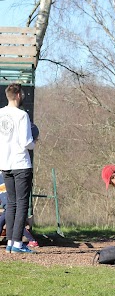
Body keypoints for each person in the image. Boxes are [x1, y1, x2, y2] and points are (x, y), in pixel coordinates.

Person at [0, 83, 36, 254]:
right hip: (21, 163)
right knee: (22, 204)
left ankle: (9, 243)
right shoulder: (22, 115)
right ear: (18, 95)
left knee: (11, 204)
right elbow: (26, 142)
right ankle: (17, 244)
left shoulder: (0, 114)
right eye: (22, 93)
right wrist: (35, 143)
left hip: (5, 164)